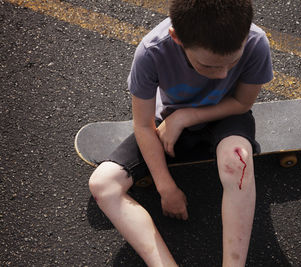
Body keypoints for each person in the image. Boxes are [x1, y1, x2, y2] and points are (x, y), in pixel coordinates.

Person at [88, 0, 273, 265]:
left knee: (239, 162)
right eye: (208, 66)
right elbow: (142, 125)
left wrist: (186, 117)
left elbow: (243, 103)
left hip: (224, 114)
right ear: (177, 38)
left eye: (232, 63)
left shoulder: (255, 42)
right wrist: (166, 187)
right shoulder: (151, 51)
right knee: (102, 185)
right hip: (165, 123)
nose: (221, 75)